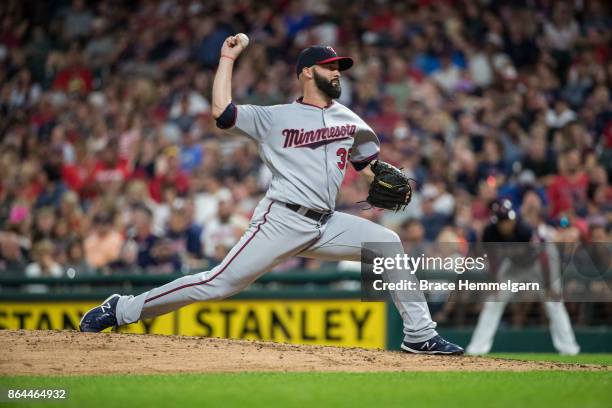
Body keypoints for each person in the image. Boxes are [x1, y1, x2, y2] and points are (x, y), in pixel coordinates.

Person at [80, 36, 463, 355]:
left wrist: (384, 174)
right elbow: (222, 113)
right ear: (307, 73)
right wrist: (227, 59)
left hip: (325, 222)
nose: (337, 73)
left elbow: (368, 164)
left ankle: (419, 335)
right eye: (330, 67)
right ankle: (122, 308)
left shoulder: (350, 119)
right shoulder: (274, 117)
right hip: (281, 219)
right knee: (217, 284)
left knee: (387, 243)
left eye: (339, 67)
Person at [466, 199, 580, 355]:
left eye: (509, 219)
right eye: (503, 220)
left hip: (540, 264)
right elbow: (491, 258)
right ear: (497, 221)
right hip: (513, 266)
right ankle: (476, 349)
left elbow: (543, 256)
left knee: (554, 303)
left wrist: (548, 285)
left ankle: (569, 349)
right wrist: (494, 282)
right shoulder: (490, 232)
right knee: (493, 301)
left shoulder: (524, 229)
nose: (507, 223)